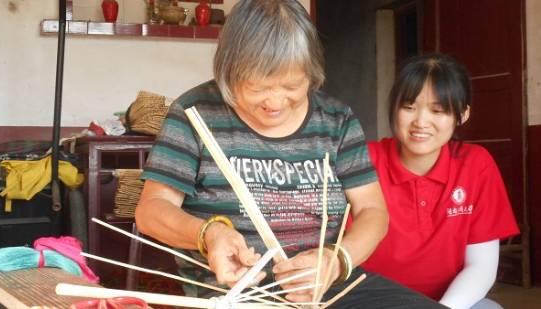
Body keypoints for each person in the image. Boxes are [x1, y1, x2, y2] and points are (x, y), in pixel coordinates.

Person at [135, 1, 444, 308]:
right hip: (235, 293)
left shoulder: (336, 121)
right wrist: (209, 234)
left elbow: (373, 212)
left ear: (311, 74)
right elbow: (151, 211)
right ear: (229, 73)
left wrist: (336, 261)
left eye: (292, 86)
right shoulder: (194, 114)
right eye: (258, 88)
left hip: (325, 287)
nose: (275, 102)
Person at [362, 53, 520, 309]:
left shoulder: (476, 165)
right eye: (409, 107)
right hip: (370, 302)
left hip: (447, 302)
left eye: (438, 110)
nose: (421, 122)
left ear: (462, 114)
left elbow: (481, 266)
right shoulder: (363, 161)